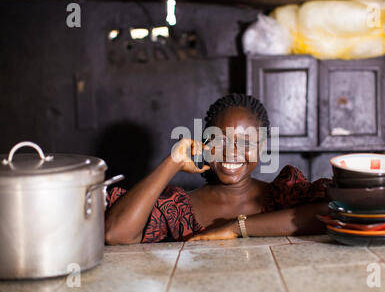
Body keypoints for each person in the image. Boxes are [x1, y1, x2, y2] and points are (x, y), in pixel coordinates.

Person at [104, 94, 330, 245]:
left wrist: (237, 227)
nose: (231, 151)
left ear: (262, 147)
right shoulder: (180, 208)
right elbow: (115, 233)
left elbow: (334, 213)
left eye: (246, 142)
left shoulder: (284, 196)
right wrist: (172, 161)